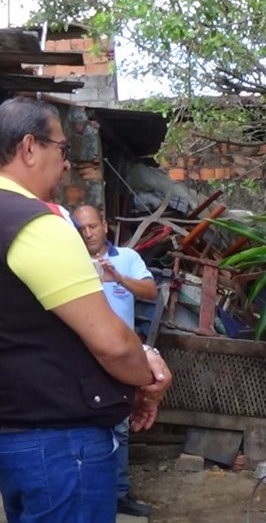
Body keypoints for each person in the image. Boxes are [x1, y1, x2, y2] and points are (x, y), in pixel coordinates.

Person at [0, 96, 172, 523]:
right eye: (62, 149)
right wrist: (147, 378)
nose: (66, 166)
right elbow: (112, 344)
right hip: (60, 445)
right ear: (28, 147)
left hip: (15, 435)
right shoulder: (35, 223)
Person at [73, 204, 159, 517]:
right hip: (82, 358)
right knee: (87, 427)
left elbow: (151, 291)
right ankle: (89, 493)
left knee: (120, 427)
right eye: (81, 228)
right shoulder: (71, 262)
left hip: (121, 358)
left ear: (105, 226)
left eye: (93, 226)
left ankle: (119, 493)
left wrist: (118, 279)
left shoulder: (127, 258)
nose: (88, 233)